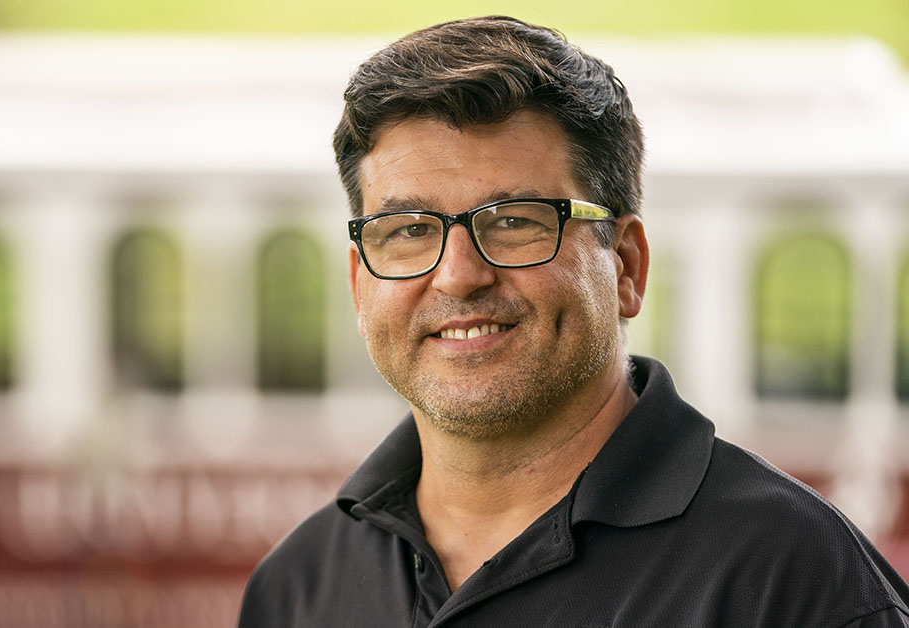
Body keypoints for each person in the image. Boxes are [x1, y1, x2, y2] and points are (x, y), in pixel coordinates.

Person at [236, 15, 909, 627]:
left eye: (515, 222)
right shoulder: (298, 590)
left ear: (626, 266)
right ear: (360, 285)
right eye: (408, 230)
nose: (459, 275)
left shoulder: (800, 587)